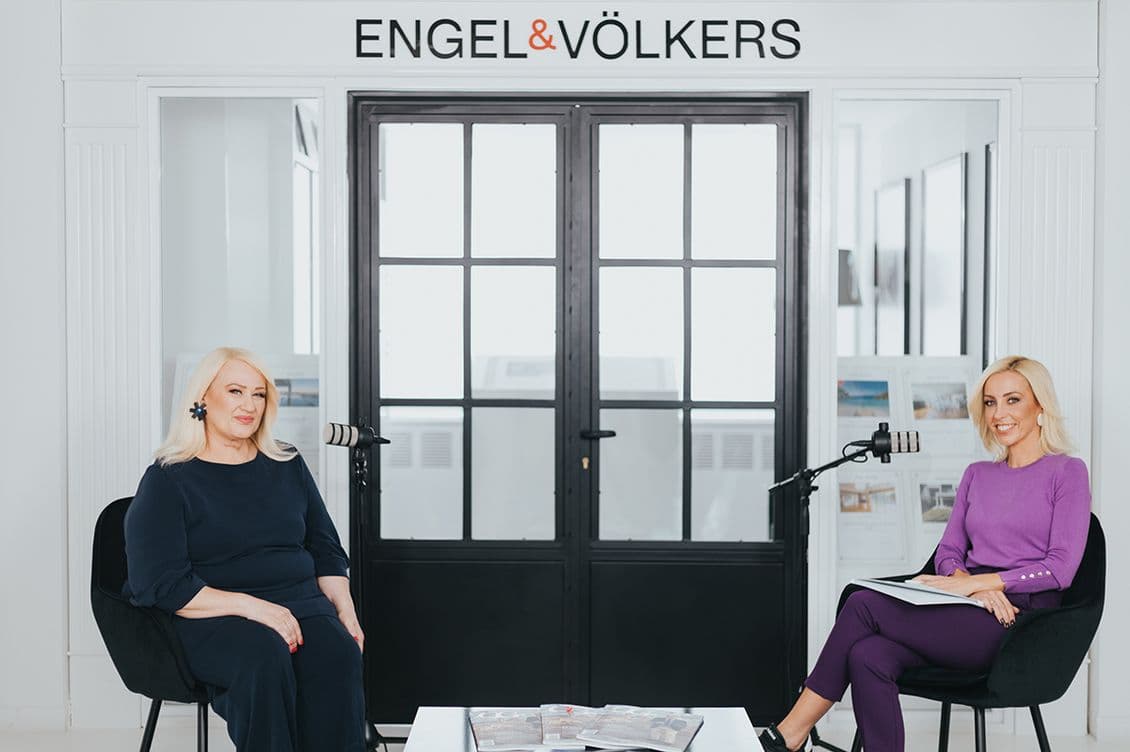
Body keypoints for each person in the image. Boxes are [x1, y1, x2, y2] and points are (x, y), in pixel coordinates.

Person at [759, 356, 1091, 752]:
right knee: (868, 655)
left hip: (1019, 628)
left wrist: (981, 583)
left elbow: (1061, 569)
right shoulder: (978, 475)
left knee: (863, 604)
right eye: (990, 402)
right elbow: (949, 551)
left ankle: (789, 735)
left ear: (1040, 406)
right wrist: (967, 588)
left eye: (1013, 400)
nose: (999, 413)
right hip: (966, 608)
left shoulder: (1067, 472)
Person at [124, 347, 366, 752]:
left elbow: (324, 545)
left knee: (339, 654)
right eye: (235, 391)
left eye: (259, 394)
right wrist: (252, 607)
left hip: (300, 603)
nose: (248, 405)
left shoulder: (287, 462)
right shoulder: (168, 478)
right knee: (263, 655)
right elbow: (160, 583)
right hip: (212, 613)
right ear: (203, 399)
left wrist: (345, 608)